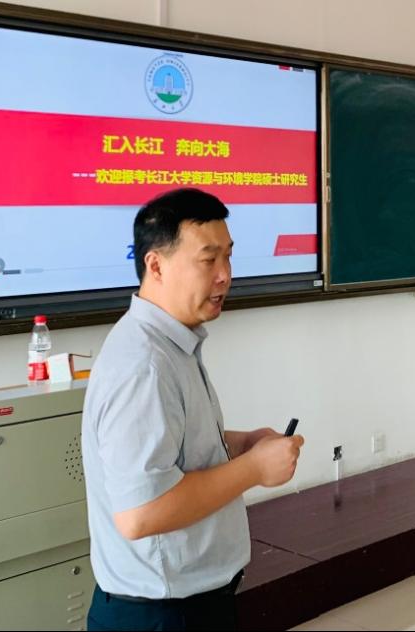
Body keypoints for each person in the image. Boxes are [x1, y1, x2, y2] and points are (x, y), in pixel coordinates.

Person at [82, 188, 305, 631]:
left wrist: (242, 445)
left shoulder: (172, 344)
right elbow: (142, 512)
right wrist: (254, 469)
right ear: (156, 265)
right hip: (161, 615)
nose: (224, 276)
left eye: (228, 257)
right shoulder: (144, 365)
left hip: (185, 606)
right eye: (208, 260)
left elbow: (174, 448)